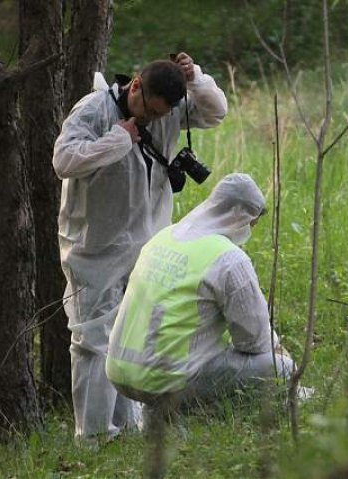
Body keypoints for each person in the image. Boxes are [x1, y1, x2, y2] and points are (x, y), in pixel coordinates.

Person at [52, 53, 228, 441]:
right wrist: (118, 140)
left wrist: (195, 77)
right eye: (148, 110)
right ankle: (94, 437)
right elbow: (64, 159)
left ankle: (127, 427)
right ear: (135, 85)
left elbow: (216, 112)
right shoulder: (95, 109)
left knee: (130, 335)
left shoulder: (166, 113)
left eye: (162, 113)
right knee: (92, 341)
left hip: (144, 243)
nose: (153, 119)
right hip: (92, 246)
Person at [105, 173, 294, 409]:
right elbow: (254, 341)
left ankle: (159, 421)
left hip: (119, 371)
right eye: (251, 223)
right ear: (240, 216)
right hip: (166, 380)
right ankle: (225, 419)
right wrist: (276, 346)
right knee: (282, 368)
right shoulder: (229, 259)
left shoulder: (163, 238)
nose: (250, 230)